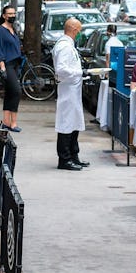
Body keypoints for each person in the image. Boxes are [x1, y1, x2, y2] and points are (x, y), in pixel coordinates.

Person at [52, 17, 88, 171]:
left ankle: (74, 155)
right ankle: (64, 159)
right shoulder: (64, 47)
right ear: (74, 30)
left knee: (74, 123)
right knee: (66, 124)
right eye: (79, 30)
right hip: (68, 91)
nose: (80, 33)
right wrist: (79, 72)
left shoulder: (68, 45)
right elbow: (61, 69)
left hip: (73, 90)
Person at [0, 5, 24, 132]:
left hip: (15, 65)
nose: (12, 16)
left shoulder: (13, 29)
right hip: (7, 65)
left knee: (10, 93)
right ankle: (13, 123)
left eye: (13, 13)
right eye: (9, 14)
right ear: (4, 16)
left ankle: (6, 122)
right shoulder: (1, 30)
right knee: (17, 92)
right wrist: (2, 69)